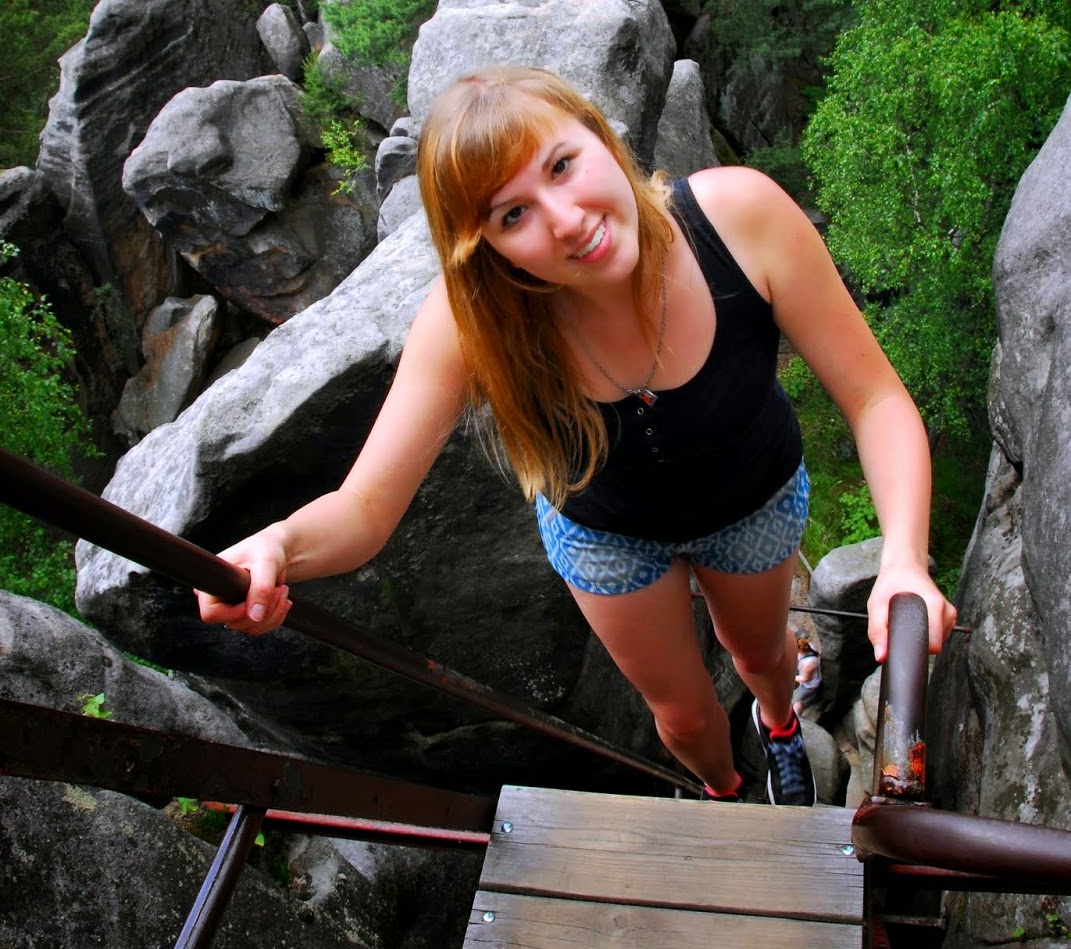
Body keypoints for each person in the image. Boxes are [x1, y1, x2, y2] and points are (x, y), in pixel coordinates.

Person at [195, 64, 956, 806]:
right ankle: (723, 790)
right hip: (606, 534)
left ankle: (779, 724)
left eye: (561, 165)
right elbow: (365, 509)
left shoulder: (740, 219)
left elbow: (875, 399)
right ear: (484, 245)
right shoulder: (473, 325)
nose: (565, 220)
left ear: (600, 135)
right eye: (511, 214)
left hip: (751, 500)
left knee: (760, 654)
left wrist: (901, 559)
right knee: (683, 715)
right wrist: (278, 548)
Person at [792, 636, 823, 719]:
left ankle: (797, 716)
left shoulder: (809, 663)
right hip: (807, 681)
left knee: (800, 700)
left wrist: (791, 677)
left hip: (809, 686)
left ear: (800, 650)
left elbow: (805, 678)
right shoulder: (809, 648)